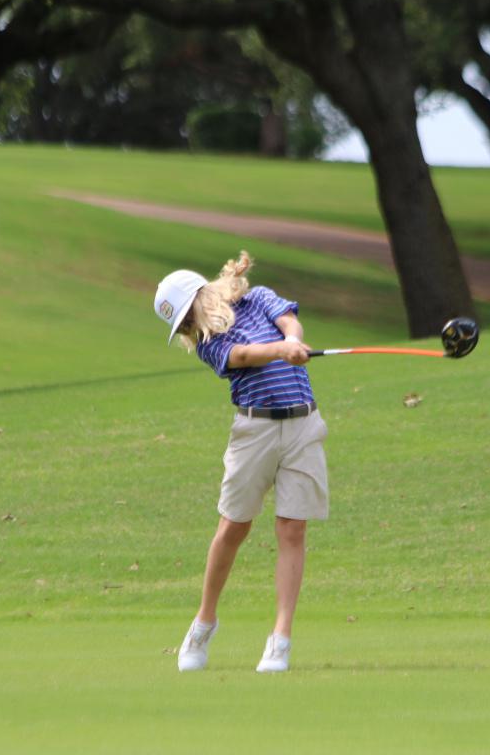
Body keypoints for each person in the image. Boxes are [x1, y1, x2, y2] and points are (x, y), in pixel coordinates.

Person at [153, 252, 328, 674]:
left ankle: (280, 640)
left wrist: (293, 339)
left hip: (303, 424)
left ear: (201, 298)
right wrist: (281, 350)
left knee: (293, 527)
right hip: (255, 433)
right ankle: (204, 622)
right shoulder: (209, 344)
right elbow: (247, 356)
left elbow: (288, 320)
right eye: (182, 327)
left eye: (186, 319)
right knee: (234, 526)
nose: (188, 330)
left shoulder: (259, 298)